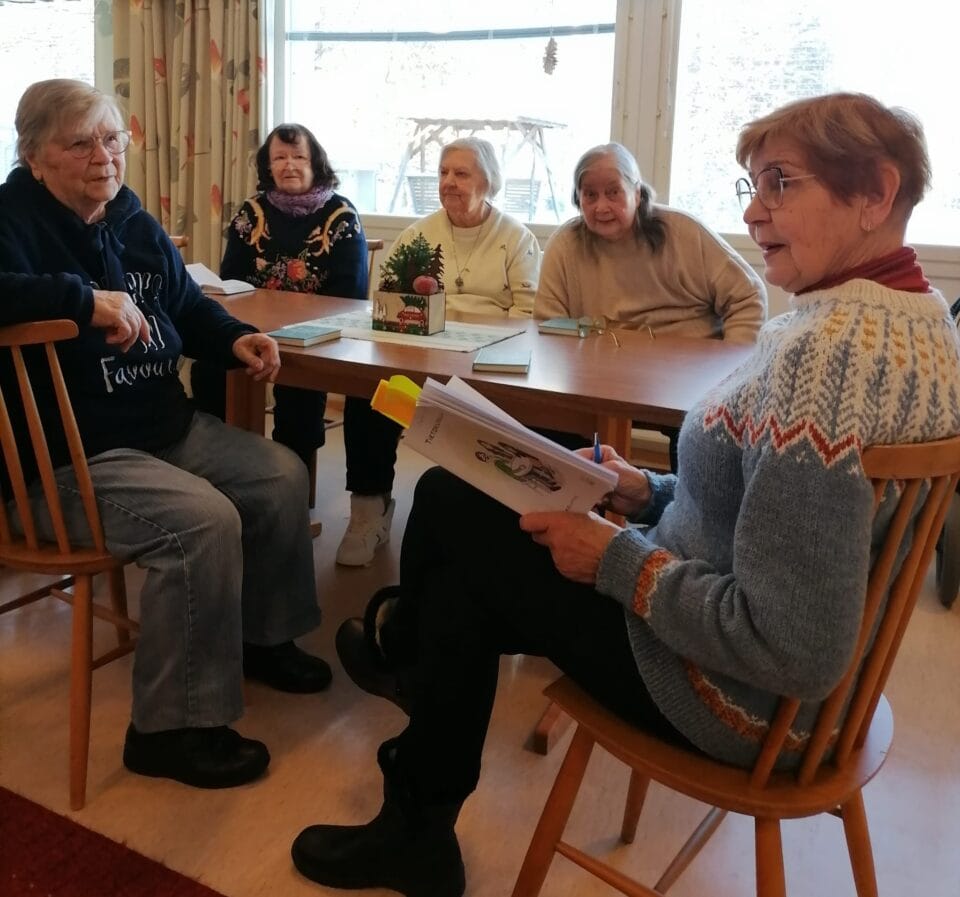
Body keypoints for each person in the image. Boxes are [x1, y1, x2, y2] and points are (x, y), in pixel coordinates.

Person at [290, 93, 960, 896]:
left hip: (738, 698)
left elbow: (793, 646)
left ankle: (413, 732)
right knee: (466, 541)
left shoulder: (825, 357)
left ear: (876, 192)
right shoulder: (922, 322)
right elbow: (774, 511)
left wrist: (617, 560)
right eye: (752, 185)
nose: (754, 211)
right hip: (807, 690)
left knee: (453, 510)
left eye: (781, 182)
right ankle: (416, 704)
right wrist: (646, 491)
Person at [0, 79, 331, 791]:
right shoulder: (10, 219)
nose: (104, 157)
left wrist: (235, 338)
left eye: (112, 138)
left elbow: (184, 303)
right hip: (65, 464)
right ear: (33, 156)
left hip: (162, 429)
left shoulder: (132, 220)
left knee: (280, 475)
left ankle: (261, 638)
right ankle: (168, 730)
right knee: (203, 522)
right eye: (79, 143)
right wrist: (82, 299)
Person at [329, 136, 542, 567]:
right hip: (420, 365)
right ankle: (369, 509)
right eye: (444, 172)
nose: (448, 182)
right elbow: (387, 300)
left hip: (487, 367)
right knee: (370, 392)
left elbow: (528, 316)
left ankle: (483, 523)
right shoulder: (418, 235)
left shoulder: (516, 238)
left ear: (488, 182)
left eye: (461, 173)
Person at [189, 123, 378, 538]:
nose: (289, 165)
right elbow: (231, 278)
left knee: (298, 389)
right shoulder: (251, 212)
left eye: (298, 157)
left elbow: (349, 295)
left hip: (314, 336)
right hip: (253, 328)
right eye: (279, 158)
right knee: (208, 369)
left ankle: (291, 501)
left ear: (316, 163)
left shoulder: (341, 215)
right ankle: (225, 483)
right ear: (267, 165)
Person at [534, 141, 768, 466]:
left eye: (613, 192)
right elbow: (548, 323)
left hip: (688, 377)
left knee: (698, 459)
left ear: (638, 193)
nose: (601, 206)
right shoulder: (564, 245)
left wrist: (729, 372)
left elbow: (747, 295)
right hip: (602, 379)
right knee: (544, 428)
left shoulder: (682, 231)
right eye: (589, 195)